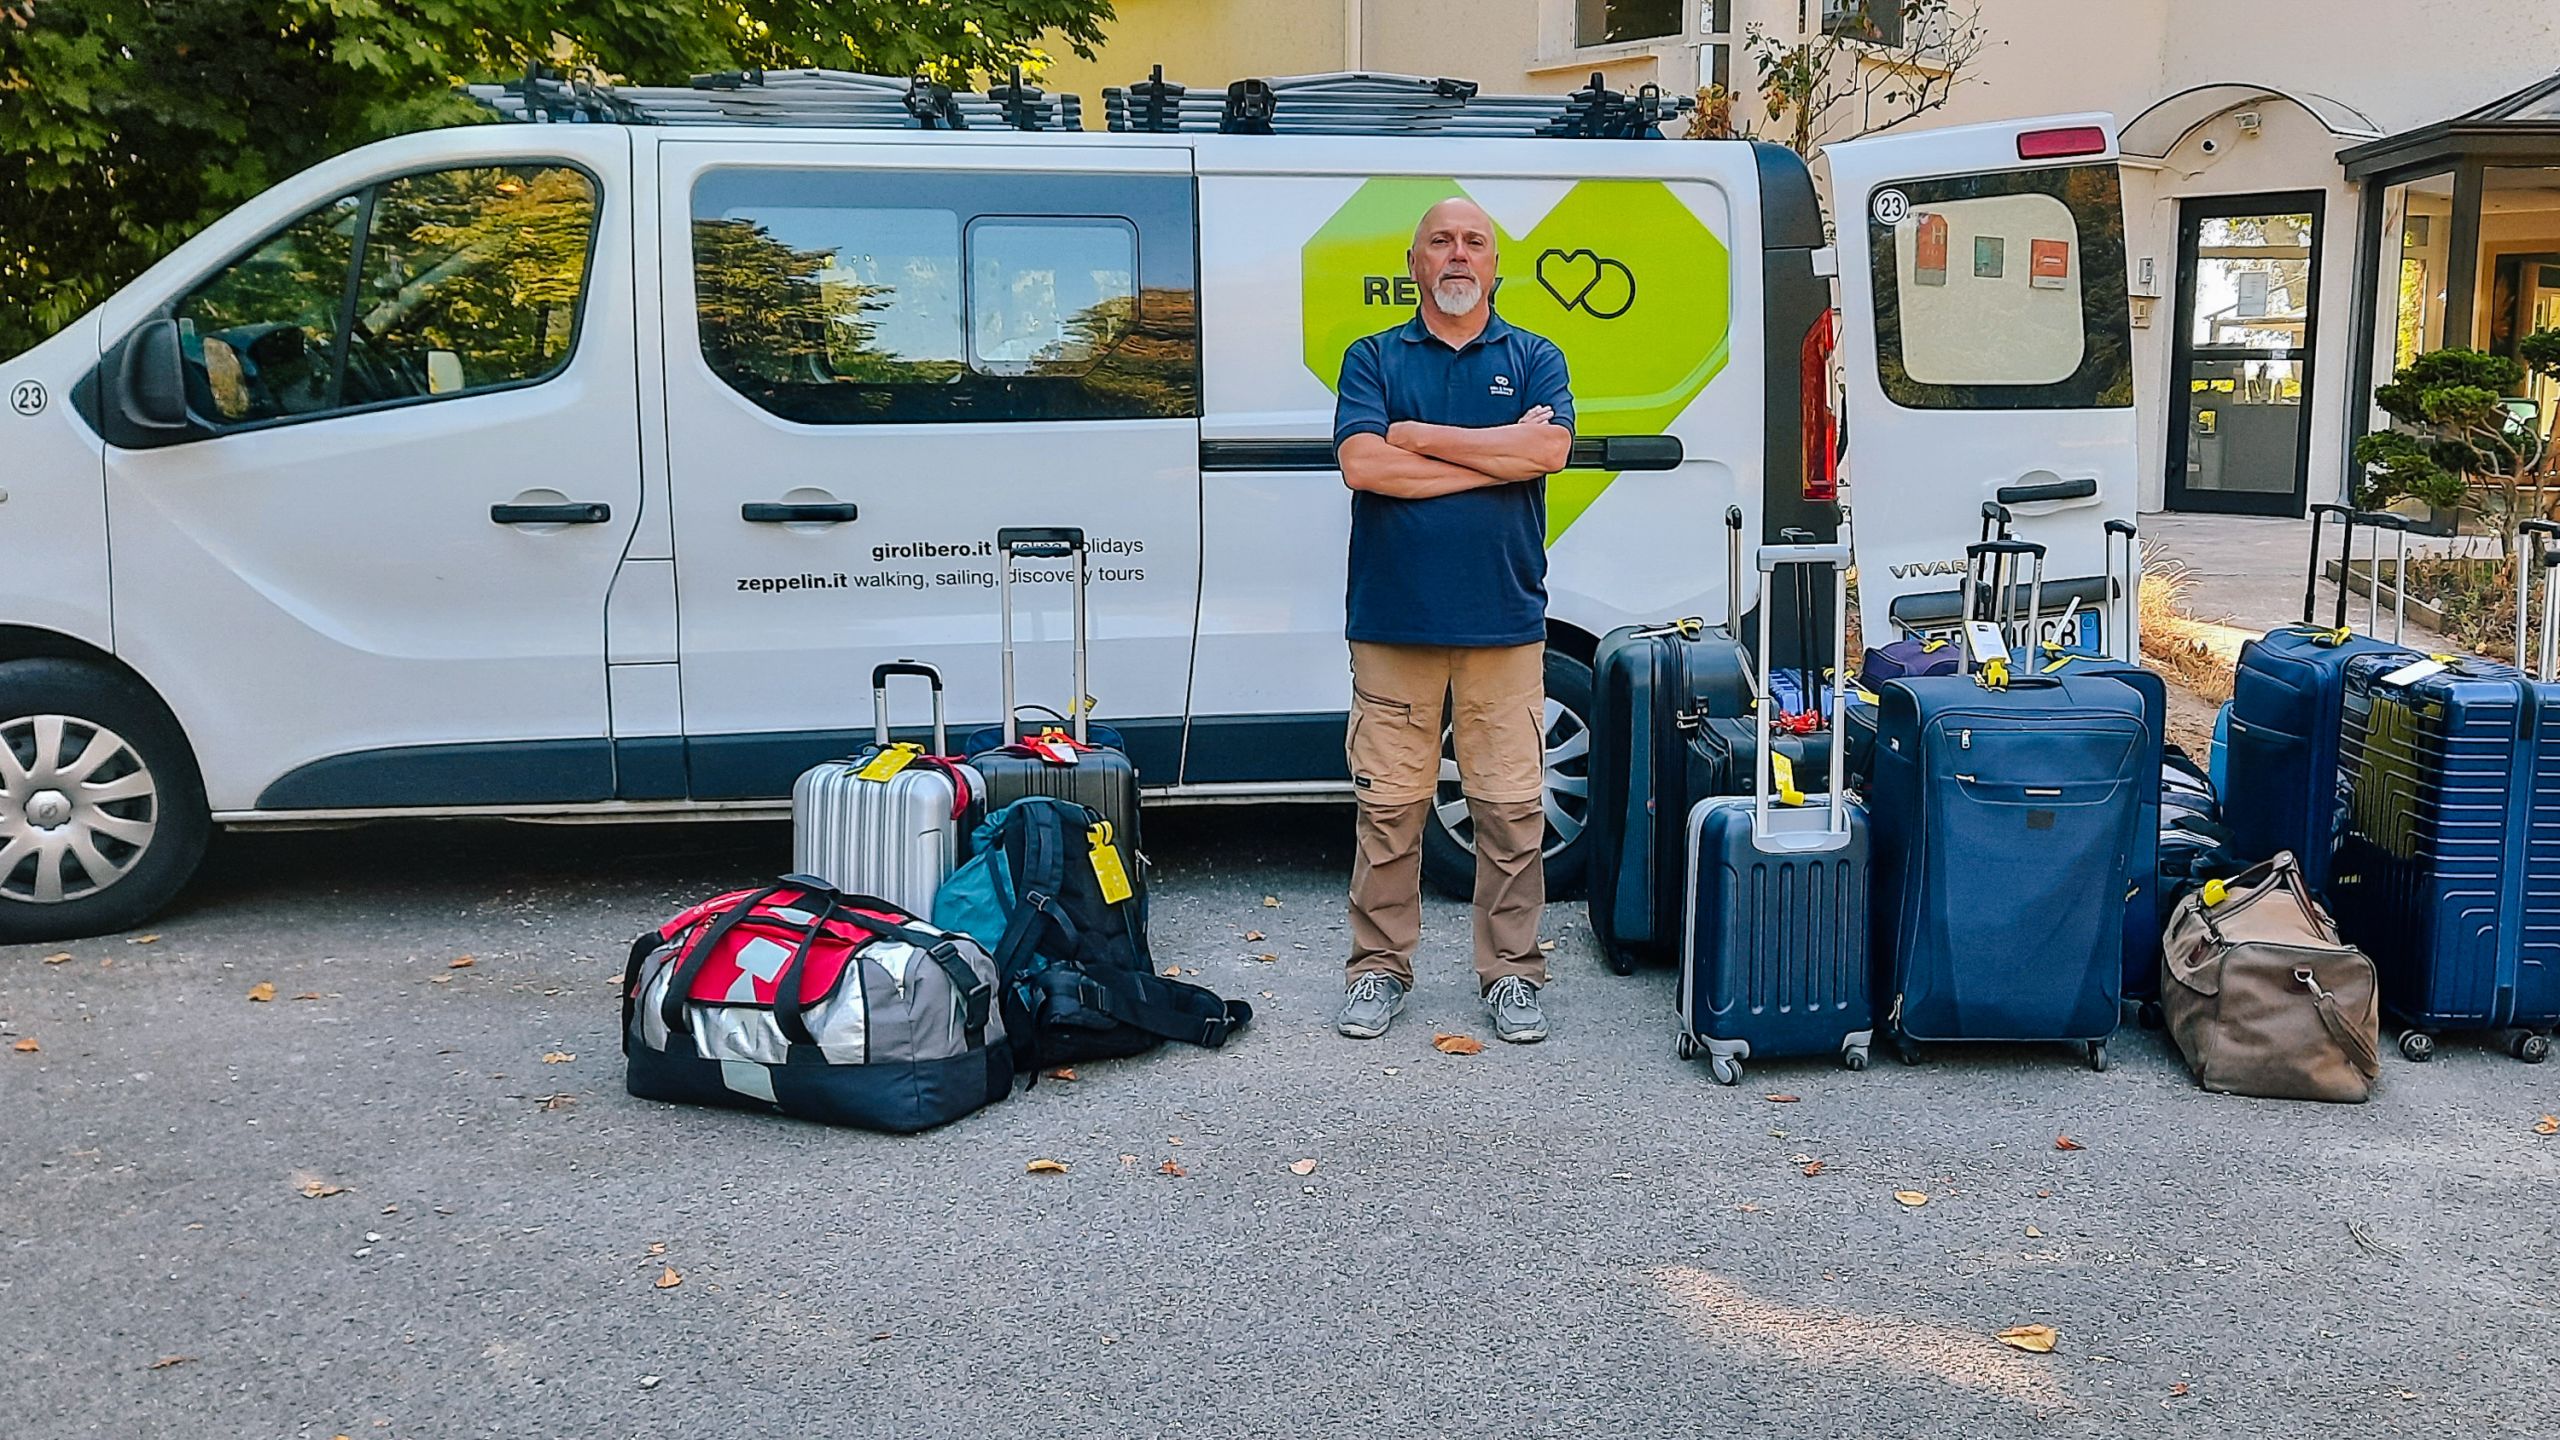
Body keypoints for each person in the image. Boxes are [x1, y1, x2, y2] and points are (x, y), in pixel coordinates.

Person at [1329, 196, 1575, 1045]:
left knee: (1510, 814)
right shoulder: (1373, 356)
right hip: (1394, 623)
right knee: (1389, 812)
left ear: (1495, 265)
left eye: (1474, 242)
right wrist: (1492, 454)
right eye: (1440, 240)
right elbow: (1365, 465)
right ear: (1415, 263)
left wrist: (1422, 439)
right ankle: (1378, 971)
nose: (1458, 255)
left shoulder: (1535, 356)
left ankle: (1510, 975)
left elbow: (1545, 453)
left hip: (1504, 623)